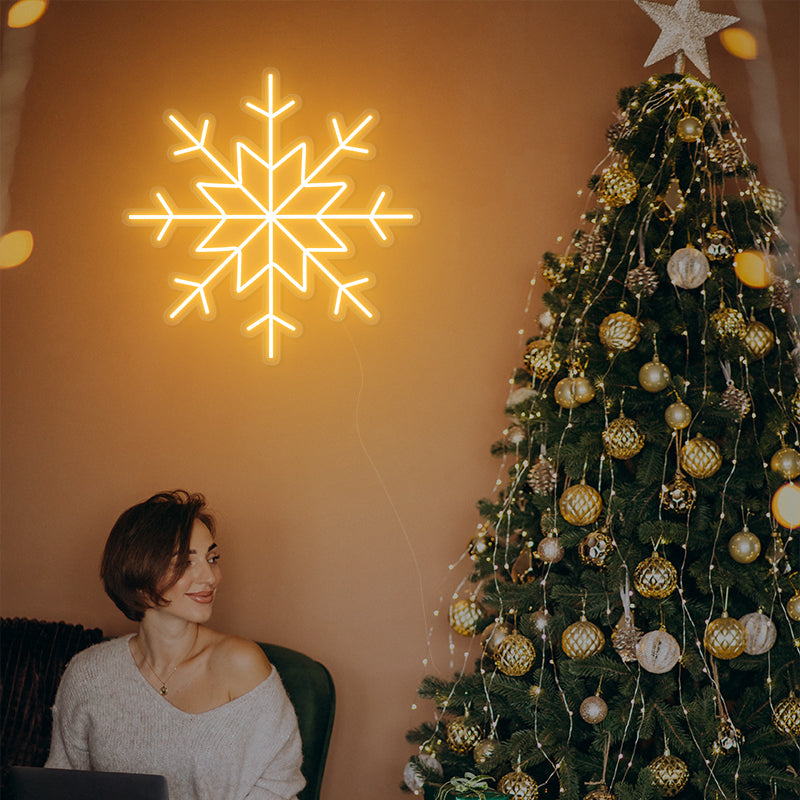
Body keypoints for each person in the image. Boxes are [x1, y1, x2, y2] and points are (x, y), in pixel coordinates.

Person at [46, 490, 305, 800]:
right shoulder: (88, 673)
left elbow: (279, 788)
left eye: (212, 558)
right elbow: (61, 784)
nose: (210, 577)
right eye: (185, 562)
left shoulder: (242, 664)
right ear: (139, 576)